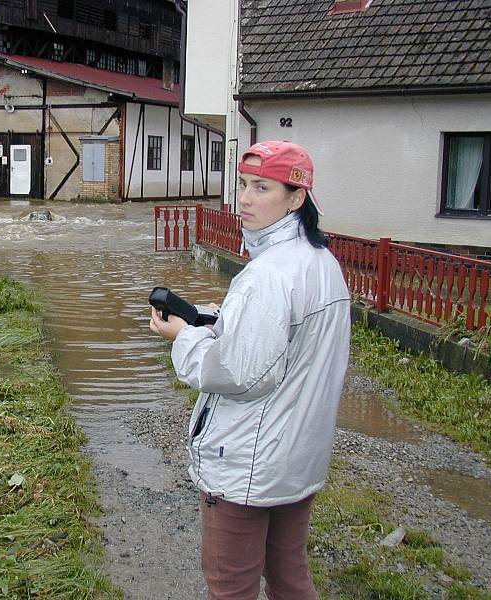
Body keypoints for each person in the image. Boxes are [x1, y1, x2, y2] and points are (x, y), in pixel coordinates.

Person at [150, 140, 351, 600]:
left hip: (246, 464)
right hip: (297, 457)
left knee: (230, 585)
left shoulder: (266, 277)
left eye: (262, 187)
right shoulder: (322, 263)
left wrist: (183, 336)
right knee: (288, 575)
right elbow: (285, 341)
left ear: (296, 197)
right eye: (242, 184)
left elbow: (234, 375)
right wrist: (213, 318)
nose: (244, 199)